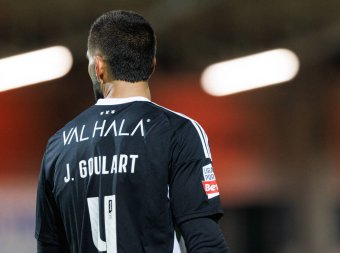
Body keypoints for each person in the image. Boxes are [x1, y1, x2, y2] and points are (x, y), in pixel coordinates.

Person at [35, 10, 229, 253]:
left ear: (98, 66)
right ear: (151, 64)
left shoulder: (58, 145)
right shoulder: (178, 132)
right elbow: (205, 242)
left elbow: (48, 246)